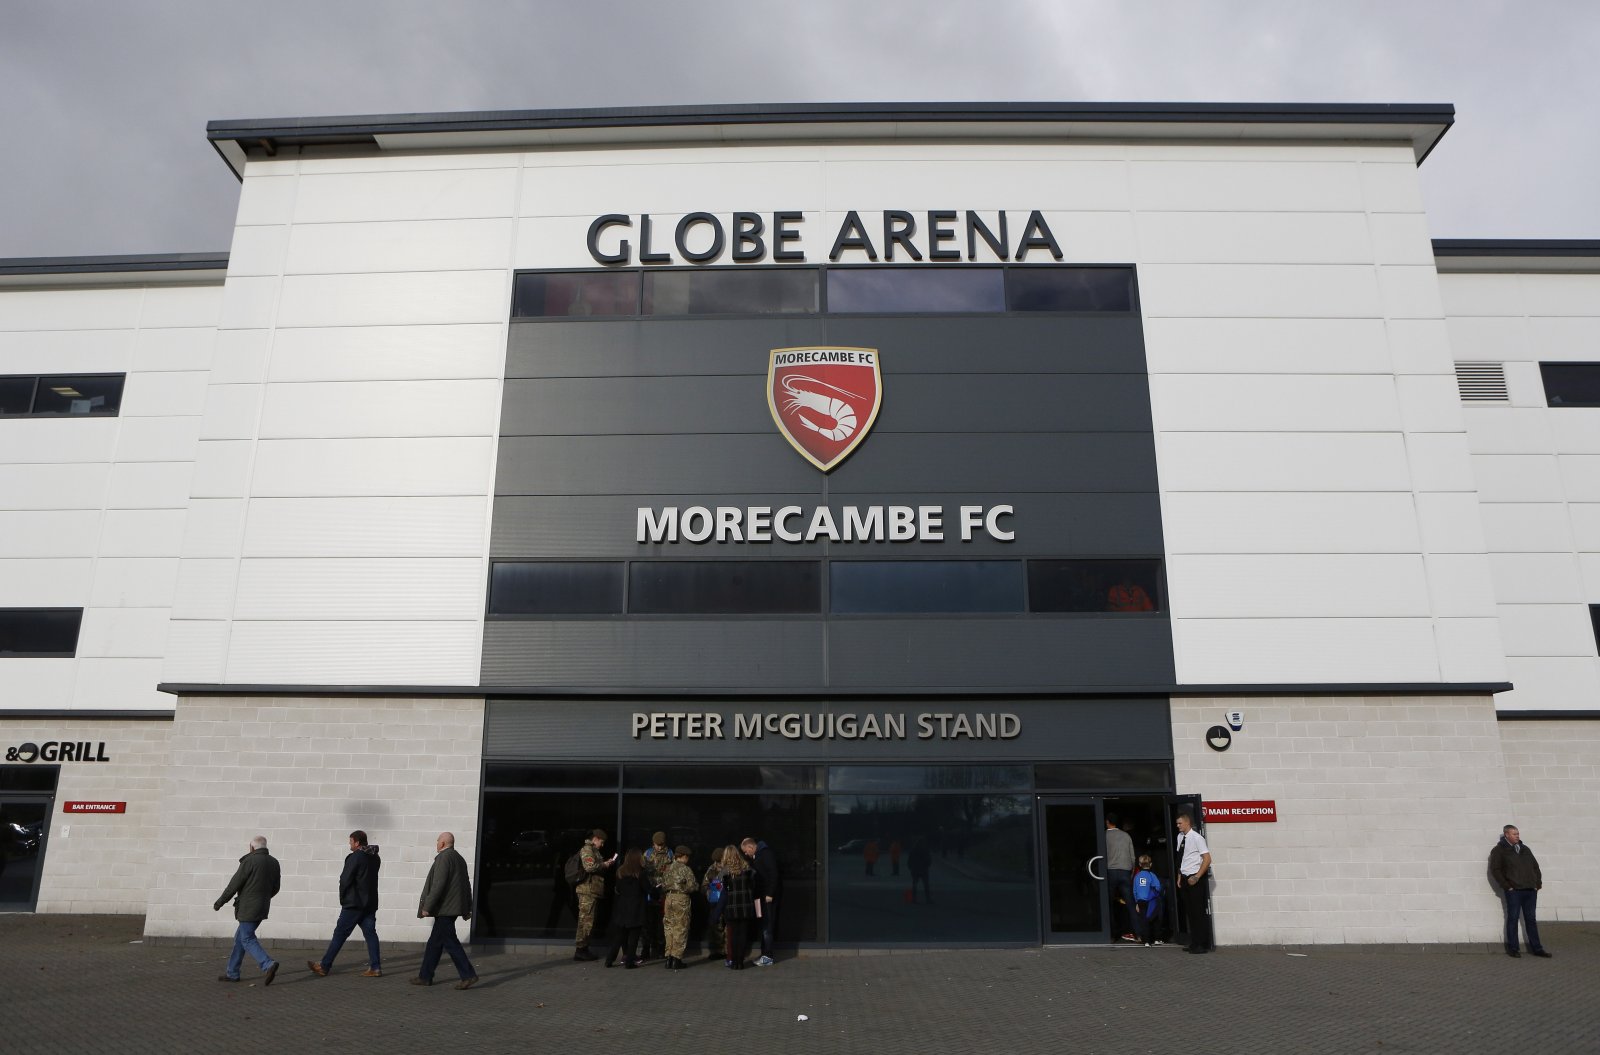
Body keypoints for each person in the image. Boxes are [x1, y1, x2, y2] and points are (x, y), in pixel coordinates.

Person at [308, 830, 382, 977]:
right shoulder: (375, 857)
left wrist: (343, 899)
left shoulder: (356, 857)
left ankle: (324, 966)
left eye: (351, 841)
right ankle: (376, 967)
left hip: (354, 904)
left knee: (340, 934)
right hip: (370, 903)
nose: (349, 844)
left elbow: (345, 879)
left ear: (357, 842)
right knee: (370, 934)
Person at [212, 834, 281, 985]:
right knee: (240, 938)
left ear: (252, 847)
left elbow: (234, 884)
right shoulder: (274, 862)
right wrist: (263, 898)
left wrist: (220, 902)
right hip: (262, 907)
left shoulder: (249, 861)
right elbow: (276, 887)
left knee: (247, 938)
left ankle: (268, 964)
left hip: (248, 908)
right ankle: (232, 973)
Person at [413, 831, 478, 989]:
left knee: (450, 942)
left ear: (442, 843)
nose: (436, 844)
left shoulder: (444, 858)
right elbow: (466, 884)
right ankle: (425, 976)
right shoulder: (459, 858)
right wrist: (467, 907)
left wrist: (427, 907)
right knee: (434, 943)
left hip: (445, 909)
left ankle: (468, 975)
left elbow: (438, 884)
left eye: (437, 841)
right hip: (453, 908)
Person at [1489, 824, 1551, 959]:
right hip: (1514, 891)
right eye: (1514, 834)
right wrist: (1507, 886)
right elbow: (1496, 870)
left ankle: (1537, 949)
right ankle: (1513, 948)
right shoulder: (1499, 850)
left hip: (1530, 890)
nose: (1517, 836)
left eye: (1518, 834)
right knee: (1513, 918)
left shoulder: (1525, 849)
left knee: (1531, 920)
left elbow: (1535, 867)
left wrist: (1537, 884)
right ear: (1507, 835)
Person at [574, 828, 617, 961]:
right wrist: (604, 864)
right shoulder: (588, 849)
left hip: (591, 890)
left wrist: (604, 863)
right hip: (587, 891)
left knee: (588, 920)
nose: (602, 845)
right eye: (601, 842)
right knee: (585, 921)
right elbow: (589, 866)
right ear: (595, 839)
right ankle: (581, 949)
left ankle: (583, 948)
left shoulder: (593, 850)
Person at [1174, 812, 1213, 954]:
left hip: (1194, 878)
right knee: (1190, 912)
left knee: (1198, 912)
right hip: (1185, 877)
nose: (1178, 826)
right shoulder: (1180, 837)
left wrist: (1197, 877)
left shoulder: (1197, 838)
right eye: (1177, 823)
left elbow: (1207, 859)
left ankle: (1201, 944)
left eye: (1180, 823)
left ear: (1187, 822)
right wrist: (1179, 876)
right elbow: (1181, 858)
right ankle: (1194, 942)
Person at [741, 836, 780, 967]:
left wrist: (770, 893)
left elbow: (773, 874)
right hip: (759, 897)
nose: (746, 854)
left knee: (767, 926)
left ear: (751, 846)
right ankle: (764, 954)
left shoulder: (766, 854)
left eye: (746, 851)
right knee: (763, 925)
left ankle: (768, 956)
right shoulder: (757, 856)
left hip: (766, 897)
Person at [603, 849, 646, 968]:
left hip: (622, 907)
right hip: (636, 908)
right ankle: (629, 961)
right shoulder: (641, 873)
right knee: (634, 937)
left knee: (619, 936)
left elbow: (618, 889)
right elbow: (647, 889)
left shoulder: (620, 872)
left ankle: (609, 960)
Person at [661, 845, 699, 970]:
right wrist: (691, 887)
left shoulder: (668, 868)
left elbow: (663, 884)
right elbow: (692, 886)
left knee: (669, 927)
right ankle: (676, 959)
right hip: (681, 898)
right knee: (681, 927)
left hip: (669, 898)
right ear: (684, 856)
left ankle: (668, 958)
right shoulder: (685, 869)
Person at [719, 845, 755, 969]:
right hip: (745, 906)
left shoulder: (725, 872)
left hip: (731, 907)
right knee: (743, 934)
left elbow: (722, 890)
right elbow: (753, 886)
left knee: (733, 935)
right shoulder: (747, 869)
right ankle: (740, 961)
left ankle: (734, 962)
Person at [640, 831, 672, 961]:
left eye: (661, 845)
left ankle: (660, 948)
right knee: (647, 923)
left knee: (661, 923)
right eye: (657, 845)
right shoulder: (647, 854)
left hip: (662, 892)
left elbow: (672, 871)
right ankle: (646, 949)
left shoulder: (669, 853)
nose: (659, 847)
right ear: (653, 843)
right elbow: (642, 871)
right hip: (649, 891)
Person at [1105, 814, 1137, 942]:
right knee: (1130, 904)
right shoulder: (1126, 835)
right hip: (1125, 871)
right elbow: (1132, 856)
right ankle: (1138, 932)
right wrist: (1131, 871)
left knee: (1109, 904)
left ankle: (1112, 934)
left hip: (1110, 871)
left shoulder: (1104, 836)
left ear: (1107, 822)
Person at [1131, 853, 1164, 947]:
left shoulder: (1137, 876)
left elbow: (1134, 891)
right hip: (1151, 901)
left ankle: (1146, 941)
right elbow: (1158, 887)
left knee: (1144, 920)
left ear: (1139, 864)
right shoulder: (1152, 875)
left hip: (1141, 901)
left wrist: (1137, 902)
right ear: (1151, 864)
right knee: (1155, 919)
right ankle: (1157, 939)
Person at [702, 853, 727, 960]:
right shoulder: (711, 869)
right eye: (717, 862)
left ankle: (728, 951)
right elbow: (704, 885)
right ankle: (718, 951)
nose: (719, 864)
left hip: (728, 903)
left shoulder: (729, 867)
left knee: (728, 928)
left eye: (720, 862)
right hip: (715, 903)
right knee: (716, 927)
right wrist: (709, 893)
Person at [908, 837, 933, 903]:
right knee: (926, 885)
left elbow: (909, 860)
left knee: (915, 884)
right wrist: (927, 865)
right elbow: (929, 860)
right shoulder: (925, 850)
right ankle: (928, 899)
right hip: (923, 869)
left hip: (915, 869)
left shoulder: (913, 850)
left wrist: (911, 868)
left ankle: (914, 899)